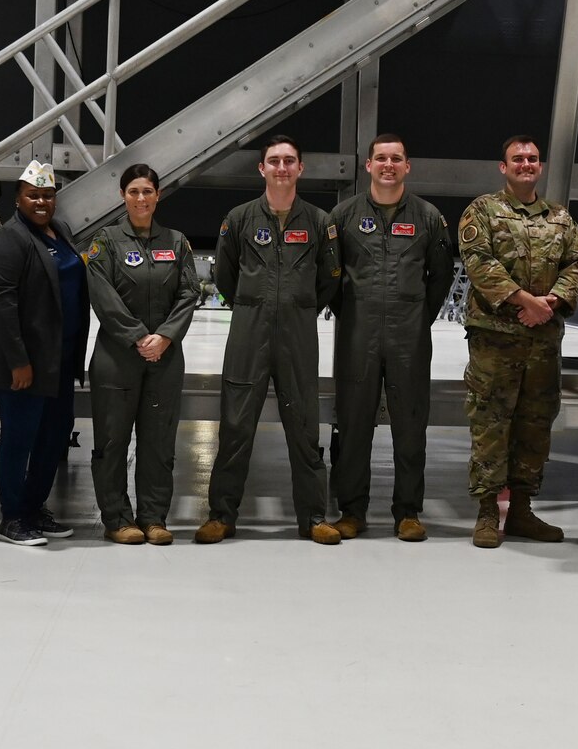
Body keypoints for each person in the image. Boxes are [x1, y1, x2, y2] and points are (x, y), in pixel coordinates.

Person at [199, 134, 344, 544]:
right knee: (235, 426)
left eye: (289, 161)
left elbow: (330, 277)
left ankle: (314, 517)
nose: (282, 168)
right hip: (249, 330)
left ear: (301, 168)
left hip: (298, 334)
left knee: (304, 429)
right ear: (261, 168)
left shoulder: (319, 221)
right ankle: (221, 516)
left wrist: (300, 305)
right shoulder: (240, 218)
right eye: (274, 161)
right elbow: (224, 276)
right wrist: (252, 305)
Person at [457, 135, 578, 548]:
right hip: (496, 342)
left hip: (542, 342)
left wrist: (553, 300)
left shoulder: (560, 218)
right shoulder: (482, 210)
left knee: (535, 425)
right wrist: (523, 300)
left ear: (540, 166)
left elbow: (576, 261)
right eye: (518, 158)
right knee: (490, 423)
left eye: (532, 159)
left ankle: (521, 510)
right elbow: (478, 260)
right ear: (504, 166)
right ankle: (485, 513)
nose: (526, 164)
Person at [329, 133, 454, 540]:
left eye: (396, 158)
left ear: (406, 166)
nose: (388, 165)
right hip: (357, 336)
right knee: (352, 423)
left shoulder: (428, 217)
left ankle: (408, 512)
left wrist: (418, 316)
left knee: (411, 423)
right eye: (380, 158)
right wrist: (351, 314)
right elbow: (331, 275)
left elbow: (440, 277)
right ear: (368, 165)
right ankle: (352, 510)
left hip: (409, 337)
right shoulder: (343, 216)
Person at [0, 162, 90, 547]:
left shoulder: (62, 232)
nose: (41, 201)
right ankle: (12, 516)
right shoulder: (9, 239)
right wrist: (18, 362)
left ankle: (34, 507)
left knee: (53, 438)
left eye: (48, 194)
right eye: (33, 195)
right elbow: (1, 305)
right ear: (19, 198)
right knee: (19, 439)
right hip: (24, 363)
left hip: (59, 359)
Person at [86, 163, 201, 545]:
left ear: (158, 195)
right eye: (133, 191)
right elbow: (103, 294)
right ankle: (118, 519)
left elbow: (189, 292)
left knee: (158, 443)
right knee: (113, 441)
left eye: (147, 191)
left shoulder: (177, 242)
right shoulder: (105, 242)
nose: (141, 198)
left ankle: (153, 517)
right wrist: (138, 337)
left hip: (164, 359)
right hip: (117, 357)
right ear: (123, 196)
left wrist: (165, 337)